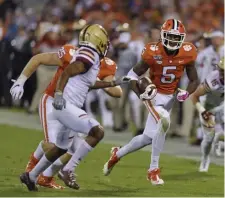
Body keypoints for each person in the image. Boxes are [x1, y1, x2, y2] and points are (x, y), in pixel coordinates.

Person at [11, 24, 129, 191]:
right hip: (54, 101)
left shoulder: (104, 63)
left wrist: (113, 83)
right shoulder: (79, 53)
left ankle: (39, 177)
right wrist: (20, 81)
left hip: (71, 105)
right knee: (65, 142)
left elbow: (112, 91)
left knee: (67, 148)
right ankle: (40, 168)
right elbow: (40, 59)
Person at [103, 19, 199, 185]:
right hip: (153, 93)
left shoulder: (188, 52)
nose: (173, 41)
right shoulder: (152, 51)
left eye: (177, 38)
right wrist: (141, 93)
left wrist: (187, 92)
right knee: (164, 121)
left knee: (148, 137)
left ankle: (117, 154)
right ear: (162, 36)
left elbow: (194, 80)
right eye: (170, 36)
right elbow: (132, 76)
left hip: (170, 97)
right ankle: (153, 170)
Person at [190, 57, 224, 172]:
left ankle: (220, 140)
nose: (223, 74)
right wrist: (202, 111)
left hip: (222, 107)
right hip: (210, 108)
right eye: (222, 71)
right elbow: (194, 96)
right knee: (209, 138)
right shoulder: (212, 80)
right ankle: (205, 157)